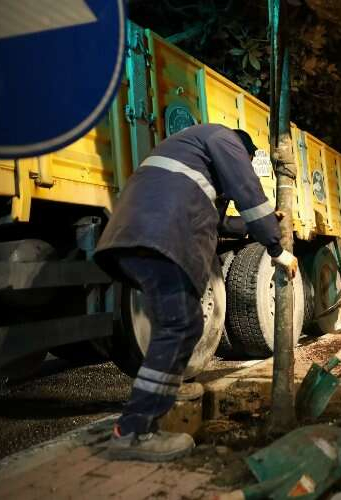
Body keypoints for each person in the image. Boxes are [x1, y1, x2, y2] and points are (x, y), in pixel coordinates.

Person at [94, 124, 297, 461]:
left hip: (137, 235)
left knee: (181, 326)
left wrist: (258, 226)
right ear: (245, 152)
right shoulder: (226, 140)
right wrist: (276, 247)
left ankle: (138, 425)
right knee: (179, 327)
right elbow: (248, 193)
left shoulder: (192, 149)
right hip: (163, 236)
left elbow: (219, 223)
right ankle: (133, 431)